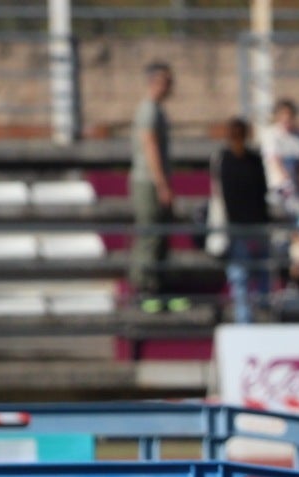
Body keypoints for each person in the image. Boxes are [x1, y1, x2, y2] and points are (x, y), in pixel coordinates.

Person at [209, 117, 273, 325]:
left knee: (241, 278)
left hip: (239, 226)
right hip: (253, 225)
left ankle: (245, 320)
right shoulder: (249, 160)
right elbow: (262, 193)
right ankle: (262, 316)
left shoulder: (225, 160)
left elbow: (226, 197)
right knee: (257, 274)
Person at [129, 62, 176, 311]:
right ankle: (144, 289)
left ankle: (156, 286)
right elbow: (150, 145)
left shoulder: (156, 110)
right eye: (165, 81)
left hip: (153, 180)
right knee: (150, 234)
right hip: (148, 181)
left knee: (159, 235)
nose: (170, 86)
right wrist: (162, 183)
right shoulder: (148, 110)